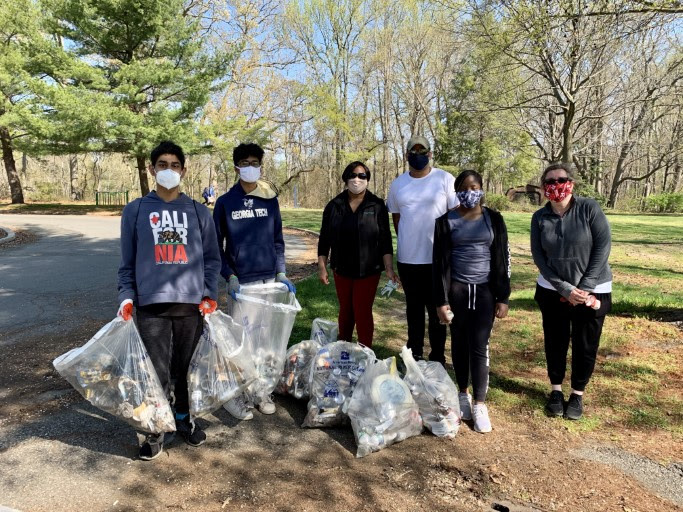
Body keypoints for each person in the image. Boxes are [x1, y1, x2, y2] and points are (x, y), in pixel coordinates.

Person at [117, 140, 221, 460]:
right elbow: (127, 263)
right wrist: (126, 297)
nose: (168, 170)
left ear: (184, 171)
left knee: (186, 371)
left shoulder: (198, 212)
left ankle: (183, 419)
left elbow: (213, 260)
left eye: (175, 165)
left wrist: (209, 294)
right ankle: (156, 429)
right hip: (151, 307)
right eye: (162, 164)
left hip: (190, 306)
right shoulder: (135, 211)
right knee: (156, 372)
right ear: (151, 169)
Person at [213, 142, 296, 419]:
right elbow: (216, 247)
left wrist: (281, 272)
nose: (251, 167)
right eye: (245, 162)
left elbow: (278, 241)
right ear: (236, 166)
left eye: (255, 162)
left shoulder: (269, 199)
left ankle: (261, 391)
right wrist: (230, 276)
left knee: (264, 340)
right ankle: (238, 394)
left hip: (268, 282)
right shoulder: (225, 203)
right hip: (241, 286)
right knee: (241, 342)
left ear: (261, 166)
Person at [531, 162, 612, 420]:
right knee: (555, 341)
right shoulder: (539, 217)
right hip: (553, 290)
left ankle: (577, 394)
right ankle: (555, 390)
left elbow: (602, 246)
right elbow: (540, 258)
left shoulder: (589, 208)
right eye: (550, 182)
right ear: (544, 189)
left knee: (585, 343)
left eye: (561, 179)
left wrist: (585, 288)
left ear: (571, 183)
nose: (556, 186)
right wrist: (565, 289)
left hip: (594, 290)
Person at [433, 170, 510, 433]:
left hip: (486, 292)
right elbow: (439, 264)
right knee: (459, 343)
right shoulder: (445, 221)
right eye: (464, 187)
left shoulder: (494, 219)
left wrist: (503, 296)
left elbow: (502, 259)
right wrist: (441, 301)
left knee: (479, 345)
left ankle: (479, 403)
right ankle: (463, 393)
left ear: (482, 188)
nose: (470, 191)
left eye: (475, 186)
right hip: (457, 291)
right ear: (457, 192)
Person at [386, 135, 458, 364]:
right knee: (413, 309)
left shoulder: (445, 179)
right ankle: (414, 351)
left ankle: (437, 355)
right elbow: (397, 219)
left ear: (430, 154)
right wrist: (410, 239)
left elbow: (456, 215)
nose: (418, 156)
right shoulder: (398, 184)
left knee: (438, 308)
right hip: (409, 259)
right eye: (413, 152)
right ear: (407, 156)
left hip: (438, 259)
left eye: (422, 151)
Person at [317, 161, 397, 347]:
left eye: (362, 176)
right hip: (341, 268)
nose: (357, 179)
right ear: (346, 178)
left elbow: (385, 240)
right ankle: (343, 349)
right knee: (346, 311)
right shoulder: (334, 206)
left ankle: (364, 352)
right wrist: (322, 266)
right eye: (352, 175)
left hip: (368, 270)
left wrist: (389, 268)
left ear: (367, 179)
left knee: (362, 311)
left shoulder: (376, 205)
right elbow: (324, 238)